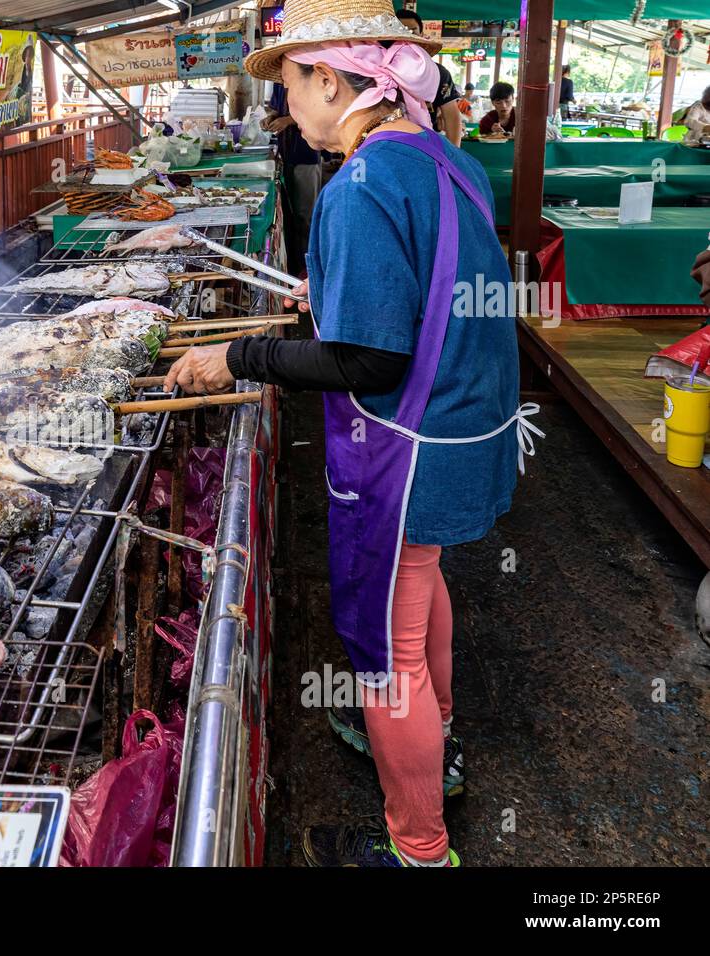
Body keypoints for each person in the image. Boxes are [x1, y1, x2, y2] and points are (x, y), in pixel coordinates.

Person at [165, 0, 534, 867]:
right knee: (424, 585)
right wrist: (324, 297)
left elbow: (369, 361)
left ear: (331, 81)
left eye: (291, 86)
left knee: (386, 653)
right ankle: (431, 743)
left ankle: (419, 845)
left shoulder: (357, 186)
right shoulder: (439, 156)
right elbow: (423, 285)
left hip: (407, 448)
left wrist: (243, 357)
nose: (287, 108)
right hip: (467, 429)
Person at [263, 82, 325, 273]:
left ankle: (312, 267)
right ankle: (297, 263)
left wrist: (289, 120)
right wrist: (271, 119)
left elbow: (319, 111)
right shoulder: (279, 83)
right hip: (286, 152)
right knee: (291, 215)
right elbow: (275, 109)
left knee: (306, 215)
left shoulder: (310, 79)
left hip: (306, 154)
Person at [395, 9, 462, 147]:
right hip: (387, 146)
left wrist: (454, 156)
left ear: (421, 35)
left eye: (413, 31)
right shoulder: (376, 69)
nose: (407, 36)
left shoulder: (438, 73)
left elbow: (452, 116)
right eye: (400, 31)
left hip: (426, 147)